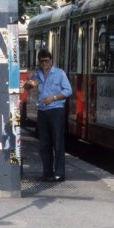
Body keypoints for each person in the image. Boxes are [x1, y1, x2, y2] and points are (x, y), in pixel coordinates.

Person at [25, 48, 72, 181]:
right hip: (42, 111)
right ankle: (47, 172)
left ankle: (59, 173)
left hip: (56, 110)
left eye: (46, 61)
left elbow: (68, 90)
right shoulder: (37, 74)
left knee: (57, 143)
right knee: (44, 144)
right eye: (42, 62)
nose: (44, 64)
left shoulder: (59, 73)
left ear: (51, 60)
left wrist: (54, 98)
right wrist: (29, 85)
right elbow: (27, 87)